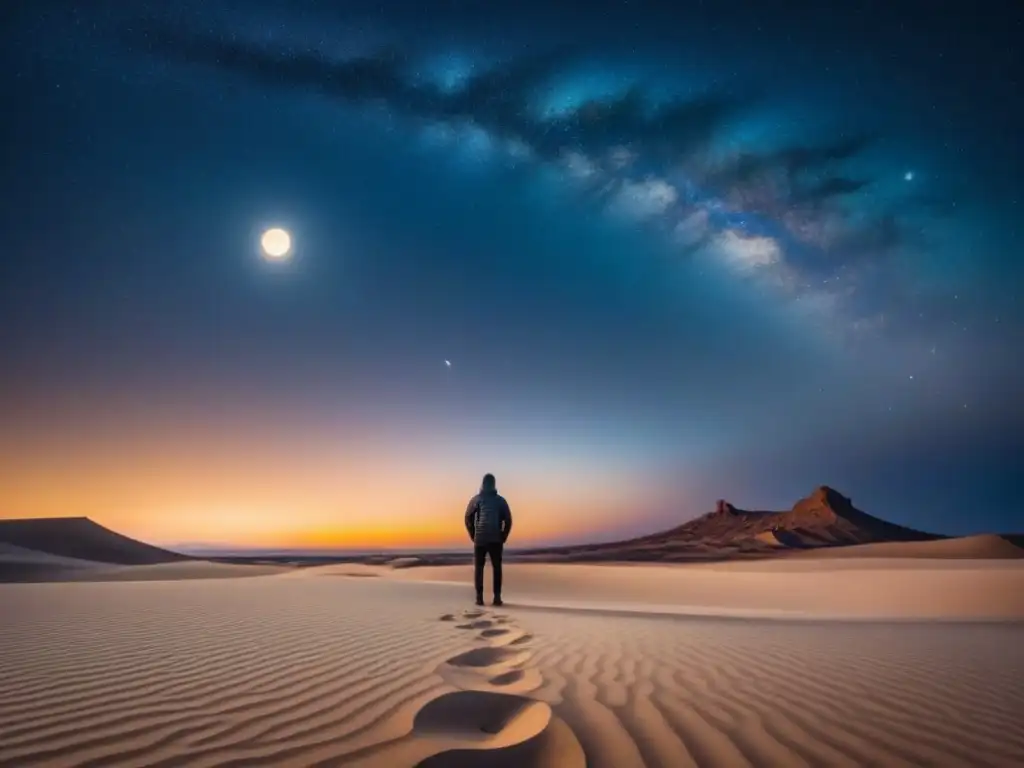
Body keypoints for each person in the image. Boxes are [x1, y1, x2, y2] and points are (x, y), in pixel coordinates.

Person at [464, 473, 513, 607]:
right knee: (497, 568)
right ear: (494, 484)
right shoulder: (500, 501)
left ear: (483, 484)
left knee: (479, 568)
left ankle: (479, 598)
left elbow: (468, 518)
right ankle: (496, 598)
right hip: (495, 539)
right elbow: (508, 520)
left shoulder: (476, 500)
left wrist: (473, 535)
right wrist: (503, 536)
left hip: (480, 539)